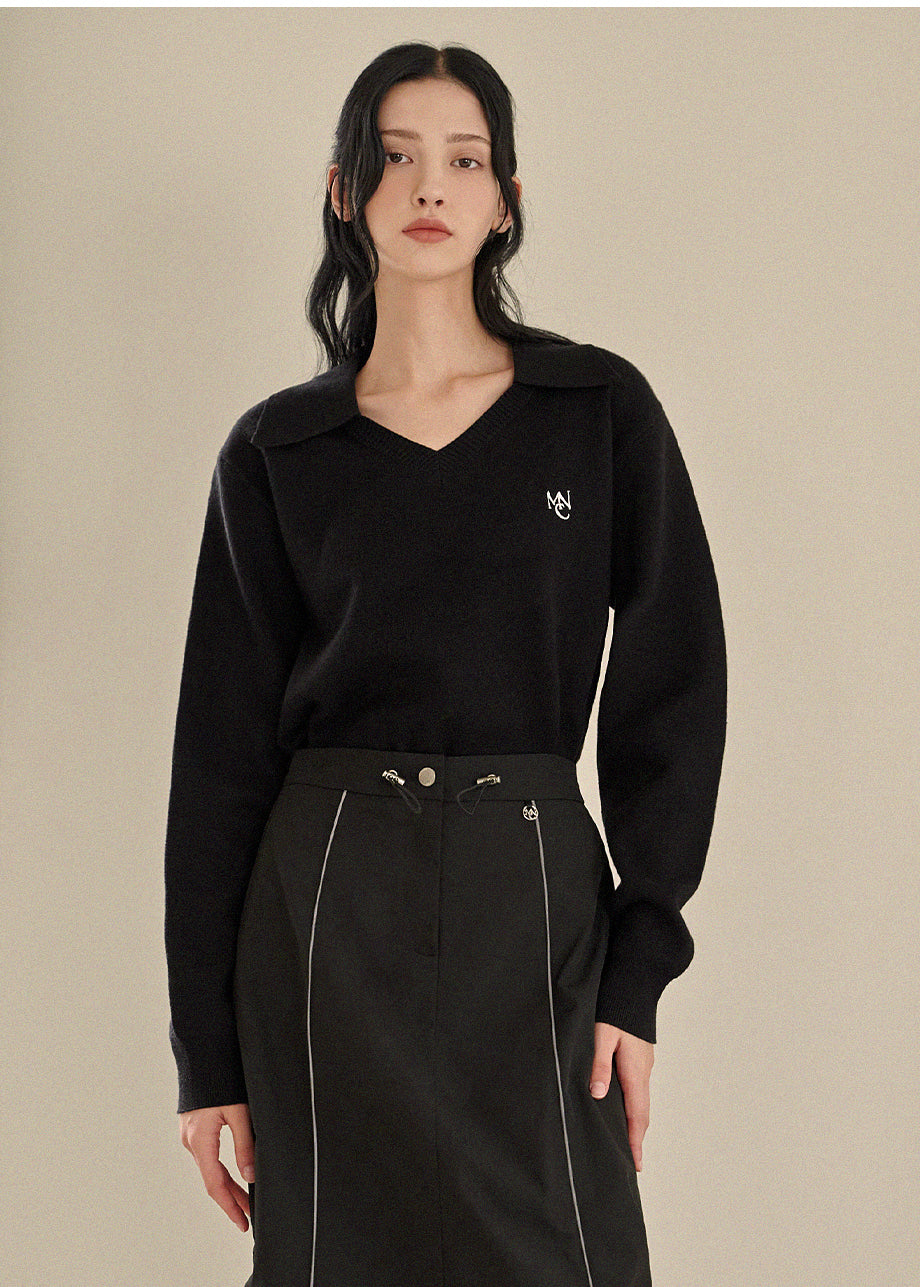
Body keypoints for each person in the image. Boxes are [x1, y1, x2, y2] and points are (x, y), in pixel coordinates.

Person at [164, 40, 727, 1287]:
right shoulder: (278, 451)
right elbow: (216, 763)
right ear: (342, 189)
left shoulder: (595, 413)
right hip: (324, 910)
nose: (429, 185)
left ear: (504, 199)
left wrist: (637, 971)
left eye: (464, 160)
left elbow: (673, 695)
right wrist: (206, 1057)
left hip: (534, 899)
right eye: (395, 156)